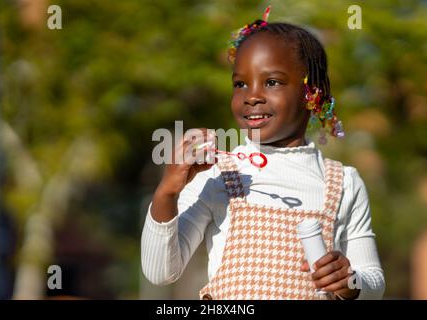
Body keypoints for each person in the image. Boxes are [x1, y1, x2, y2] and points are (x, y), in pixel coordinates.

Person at [141, 6, 385, 300]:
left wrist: (350, 281)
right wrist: (167, 192)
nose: (252, 96)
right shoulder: (216, 175)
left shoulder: (343, 183)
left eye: (272, 82)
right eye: (240, 84)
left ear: (313, 93)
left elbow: (374, 282)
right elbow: (160, 272)